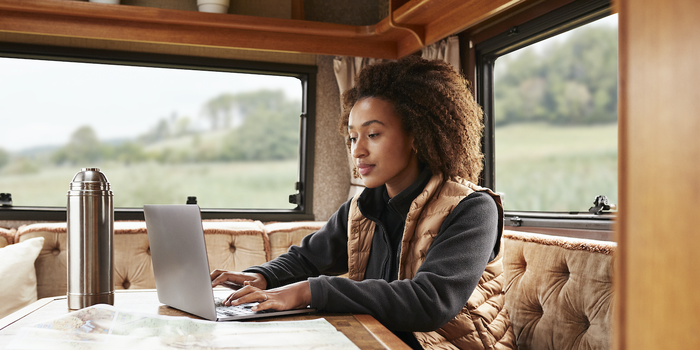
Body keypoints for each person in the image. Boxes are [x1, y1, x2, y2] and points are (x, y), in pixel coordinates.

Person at [211, 56, 516, 349]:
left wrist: (308, 291)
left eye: (372, 133)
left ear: (416, 136)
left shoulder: (474, 209)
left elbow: (429, 302)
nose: (357, 151)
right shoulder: (363, 206)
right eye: (353, 137)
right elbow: (307, 259)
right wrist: (263, 276)